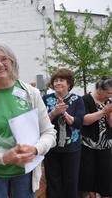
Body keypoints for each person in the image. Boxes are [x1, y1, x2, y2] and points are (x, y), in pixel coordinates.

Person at [0, 42, 56, 198]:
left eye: (4, 59)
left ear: (12, 62)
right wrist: (1, 158)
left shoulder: (31, 94)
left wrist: (36, 149)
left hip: (24, 175)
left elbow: (49, 133)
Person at [42, 68, 85, 198]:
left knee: (70, 181)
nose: (57, 83)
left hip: (72, 148)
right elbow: (41, 122)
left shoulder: (77, 99)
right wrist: (54, 112)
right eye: (55, 80)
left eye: (61, 80)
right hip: (51, 147)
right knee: (53, 181)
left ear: (69, 84)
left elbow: (78, 122)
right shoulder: (46, 98)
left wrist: (64, 113)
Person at [78, 76, 112, 198]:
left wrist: (108, 114)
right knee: (88, 176)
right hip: (88, 144)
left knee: (106, 176)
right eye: (108, 92)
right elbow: (84, 121)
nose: (110, 95)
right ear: (99, 90)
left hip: (106, 144)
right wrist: (103, 111)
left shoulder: (109, 101)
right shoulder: (84, 100)